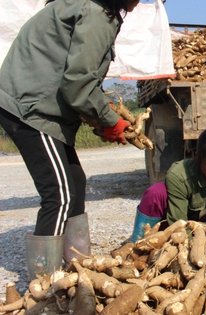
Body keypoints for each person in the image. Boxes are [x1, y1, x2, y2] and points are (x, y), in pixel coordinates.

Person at [0, 0, 140, 280]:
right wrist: (111, 122)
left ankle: (76, 264)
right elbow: (77, 84)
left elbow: (79, 82)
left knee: (75, 180)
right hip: (31, 110)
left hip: (41, 108)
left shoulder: (92, 9)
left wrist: (103, 121)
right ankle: (45, 283)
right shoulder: (96, 14)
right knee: (60, 195)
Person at [131, 126, 206, 241]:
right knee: (156, 193)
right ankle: (137, 241)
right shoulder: (178, 175)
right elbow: (177, 222)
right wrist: (192, 244)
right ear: (198, 159)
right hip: (171, 227)